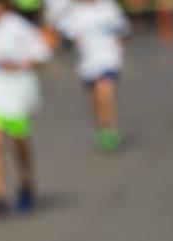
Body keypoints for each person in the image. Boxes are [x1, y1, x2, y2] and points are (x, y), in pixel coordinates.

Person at [0, 0, 52, 218]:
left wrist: (18, 64)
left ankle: (25, 183)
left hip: (15, 92)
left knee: (17, 140)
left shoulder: (18, 25)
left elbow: (42, 52)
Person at [56, 0, 130, 150]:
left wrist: (120, 41)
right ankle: (102, 126)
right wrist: (72, 41)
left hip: (108, 58)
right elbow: (64, 38)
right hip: (87, 63)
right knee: (95, 99)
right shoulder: (74, 12)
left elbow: (123, 29)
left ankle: (109, 128)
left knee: (105, 91)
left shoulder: (108, 7)